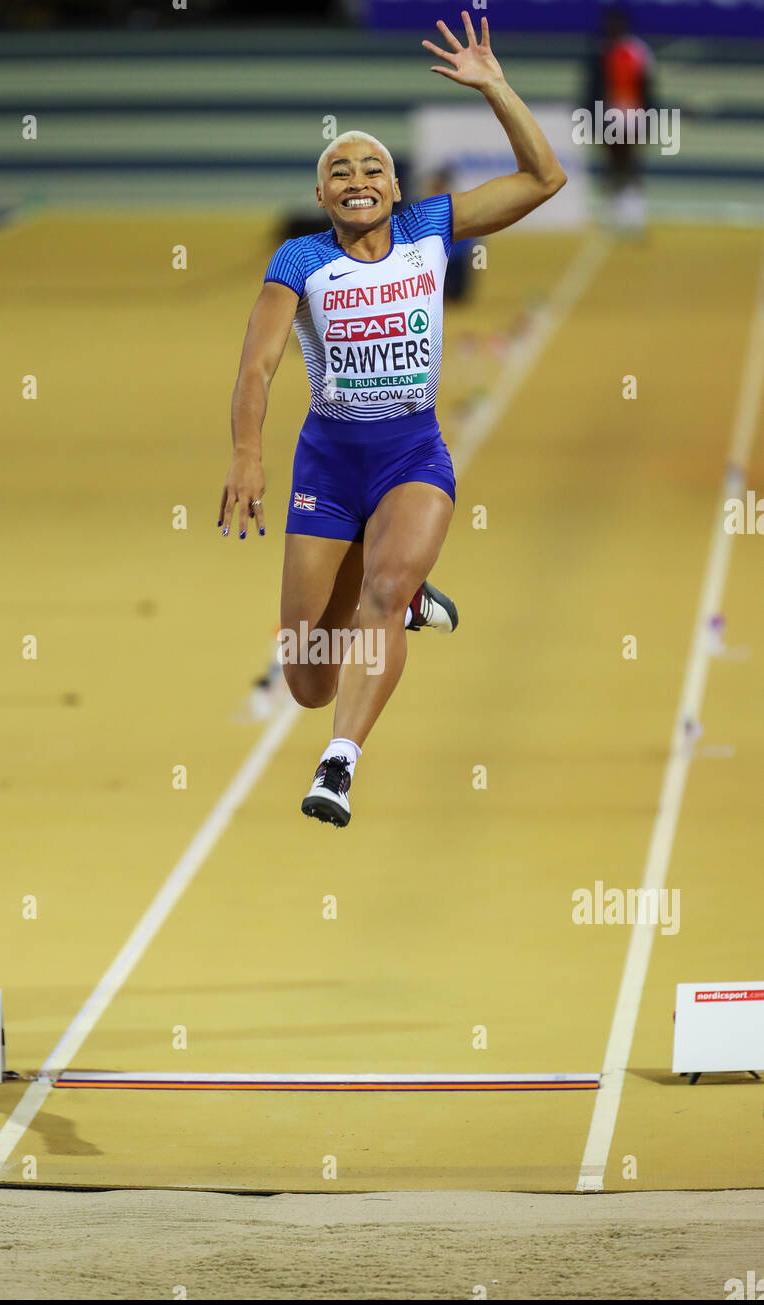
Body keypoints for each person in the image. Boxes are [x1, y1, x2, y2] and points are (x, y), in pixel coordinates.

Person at [220, 14, 566, 828]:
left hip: (412, 454)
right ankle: (401, 603)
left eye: (372, 165)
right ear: (321, 195)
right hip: (328, 468)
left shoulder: (429, 229)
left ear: (396, 186)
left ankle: (339, 765)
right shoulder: (299, 261)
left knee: (380, 586)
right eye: (339, 169)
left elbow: (544, 178)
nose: (357, 176)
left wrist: (495, 88)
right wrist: (246, 453)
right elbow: (256, 367)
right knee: (309, 676)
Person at [586, 5, 656, 235]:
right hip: (609, 116)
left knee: (632, 163)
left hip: (633, 116)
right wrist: (592, 118)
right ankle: (614, 212)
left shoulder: (638, 52)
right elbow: (593, 90)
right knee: (613, 164)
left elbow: (648, 88)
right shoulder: (601, 52)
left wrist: (650, 118)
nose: (613, 29)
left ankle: (634, 213)